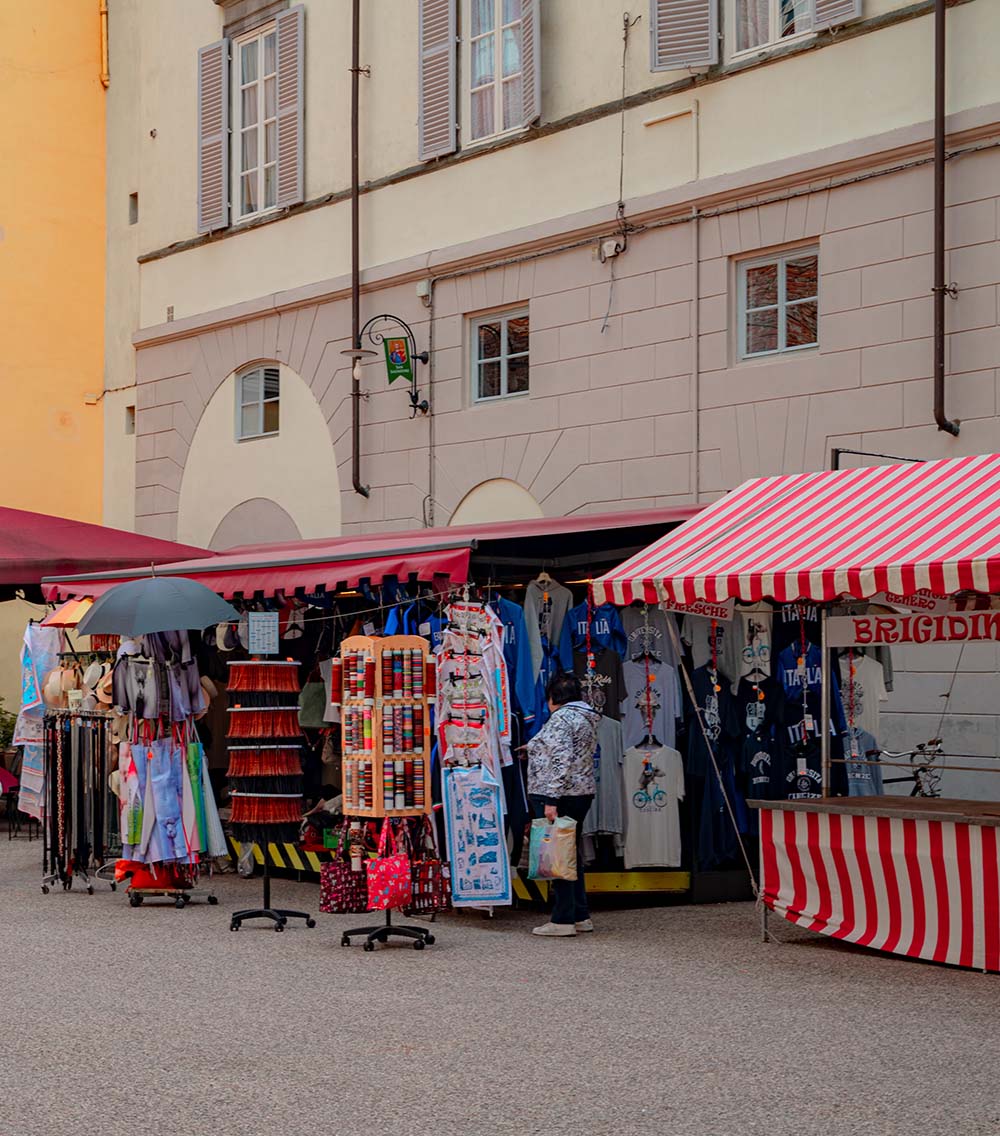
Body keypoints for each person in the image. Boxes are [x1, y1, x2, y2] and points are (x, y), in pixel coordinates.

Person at [525, 671, 600, 937]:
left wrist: (550, 800)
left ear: (553, 697)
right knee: (570, 854)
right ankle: (580, 914)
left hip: (562, 795)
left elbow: (560, 759)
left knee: (558, 855)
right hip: (582, 792)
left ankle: (562, 919)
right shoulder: (586, 717)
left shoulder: (561, 719)